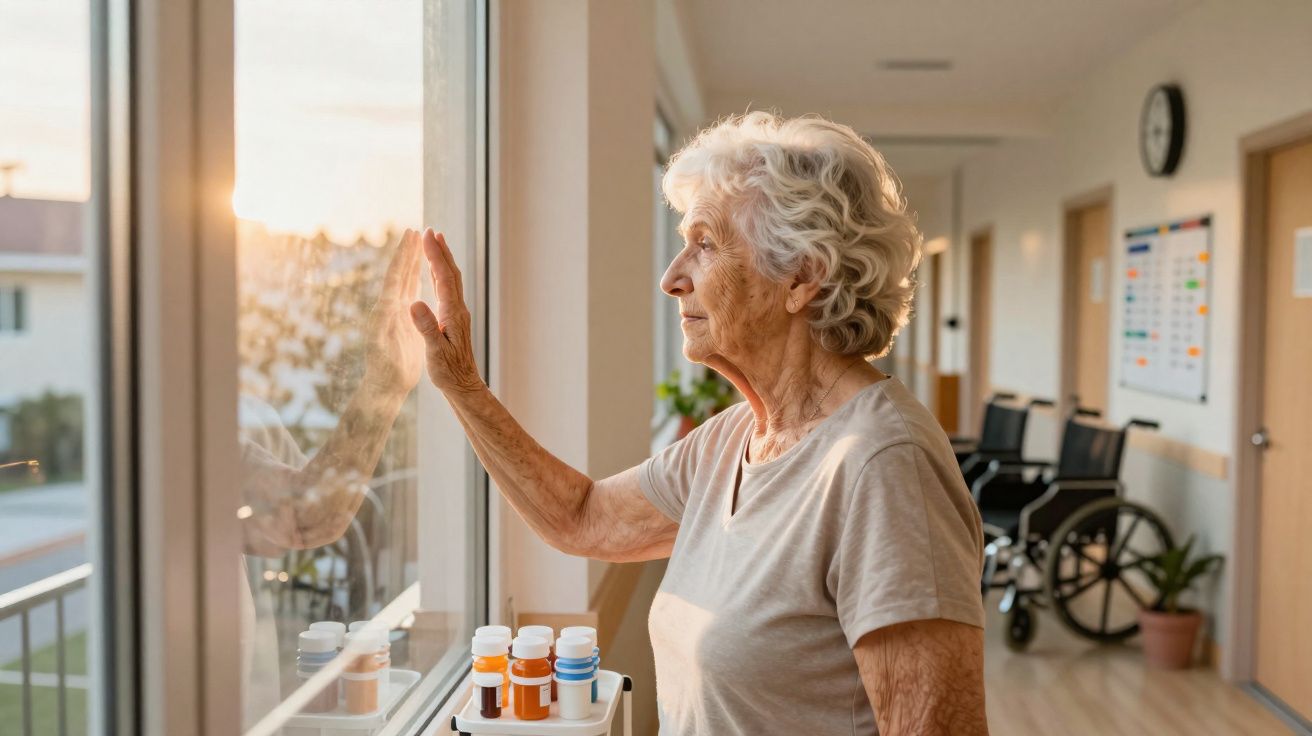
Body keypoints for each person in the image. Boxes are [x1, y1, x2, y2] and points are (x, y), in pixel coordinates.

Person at [409, 112, 988, 735]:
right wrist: (462, 386)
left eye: (705, 244)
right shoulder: (733, 438)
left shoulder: (883, 465)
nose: (671, 277)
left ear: (801, 277)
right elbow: (581, 518)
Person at [238, 229, 425, 729]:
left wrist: (385, 384)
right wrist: (383, 384)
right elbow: (305, 517)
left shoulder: (242, 416)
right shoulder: (183, 425)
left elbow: (308, 514)